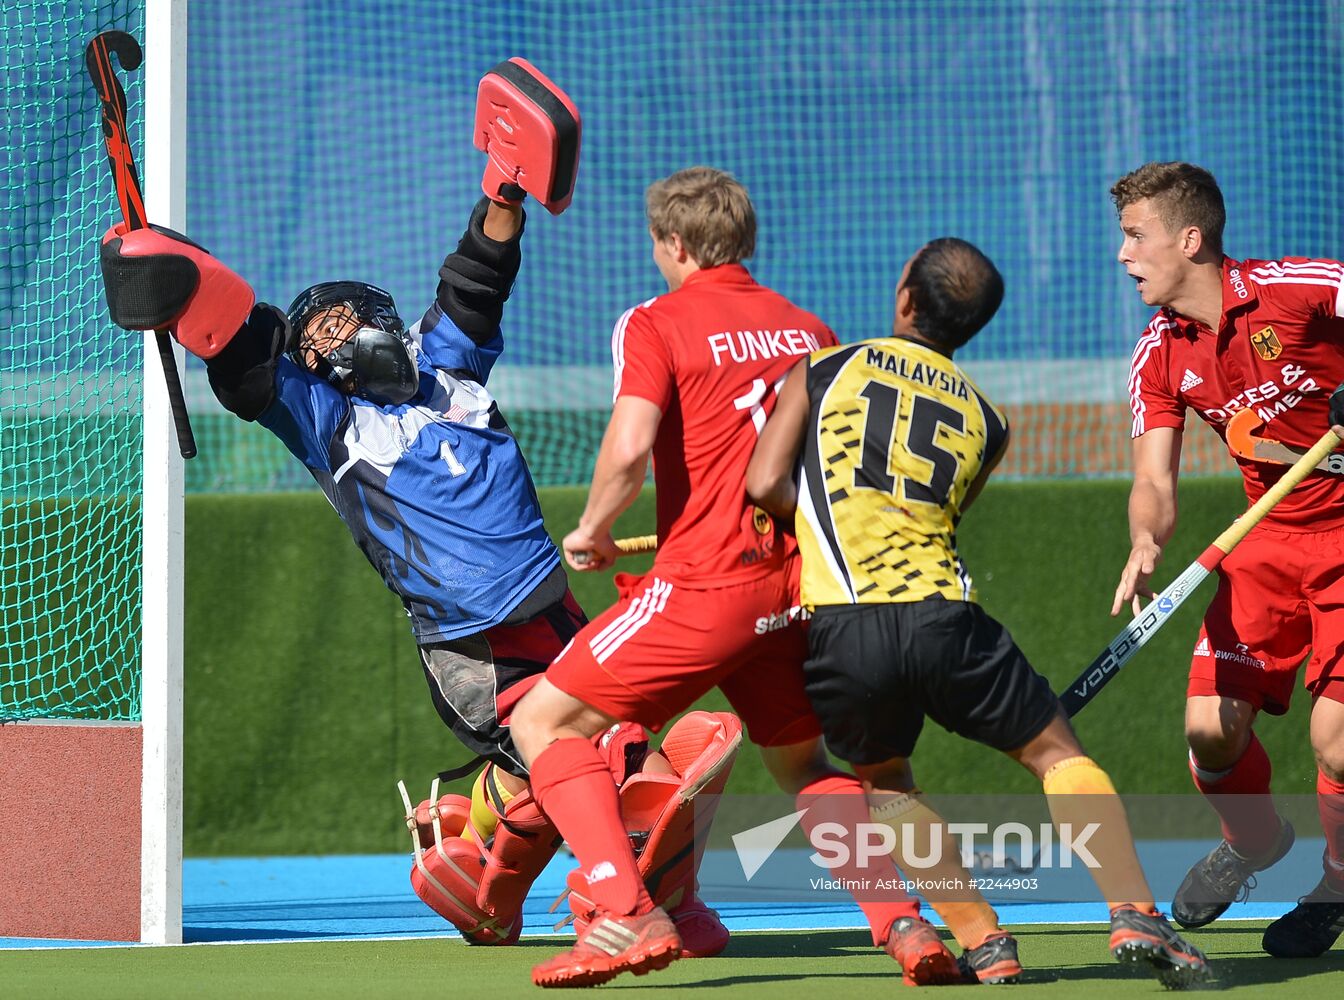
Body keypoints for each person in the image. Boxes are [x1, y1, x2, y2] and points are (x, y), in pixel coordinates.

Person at [94, 71, 733, 954]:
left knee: (613, 766)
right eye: (314, 340)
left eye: (343, 320)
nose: (331, 339)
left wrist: (504, 183)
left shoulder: (447, 360)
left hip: (550, 603)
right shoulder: (327, 420)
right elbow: (241, 345)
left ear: (384, 318)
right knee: (614, 759)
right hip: (469, 641)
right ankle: (621, 906)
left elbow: (479, 271)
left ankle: (497, 876)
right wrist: (175, 282)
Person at [508, 167, 947, 989]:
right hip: (794, 590)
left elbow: (632, 447)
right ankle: (905, 927)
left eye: (655, 244)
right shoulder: (809, 329)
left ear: (673, 245)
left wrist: (594, 530)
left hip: (706, 589)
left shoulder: (655, 321)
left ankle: (623, 910)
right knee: (807, 769)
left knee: (544, 722)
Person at [745, 237, 1212, 988]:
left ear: (904, 300)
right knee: (1058, 755)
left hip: (845, 628)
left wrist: (814, 519)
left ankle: (986, 945)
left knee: (889, 782)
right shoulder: (989, 419)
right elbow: (942, 513)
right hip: (944, 617)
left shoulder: (825, 368)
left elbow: (765, 481)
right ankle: (1133, 910)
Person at [1110, 160, 1344, 958]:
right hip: (1265, 540)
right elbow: (1153, 478)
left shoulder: (1299, 287)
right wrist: (1147, 537)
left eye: (1136, 237)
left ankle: (1337, 883)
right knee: (1210, 732)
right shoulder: (1158, 352)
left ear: (1190, 237)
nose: (1123, 255)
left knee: (1338, 742)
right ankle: (1252, 840)